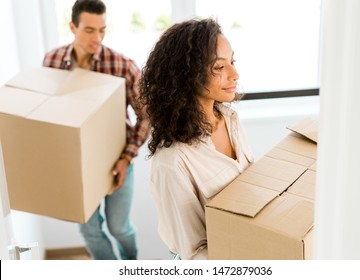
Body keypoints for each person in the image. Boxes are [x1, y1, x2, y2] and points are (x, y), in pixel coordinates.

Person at [42, 0, 150, 260]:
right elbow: (47, 113)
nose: (98, 37)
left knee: (119, 227)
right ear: (72, 26)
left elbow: (147, 116)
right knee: (89, 231)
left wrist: (126, 158)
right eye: (90, 30)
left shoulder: (123, 65)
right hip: (75, 163)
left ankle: (131, 267)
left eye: (102, 29)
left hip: (116, 160)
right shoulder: (52, 61)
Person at [139, 18, 254, 260]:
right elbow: (195, 254)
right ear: (187, 75)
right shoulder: (173, 162)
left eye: (232, 62)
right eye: (219, 68)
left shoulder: (230, 119)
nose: (235, 74)